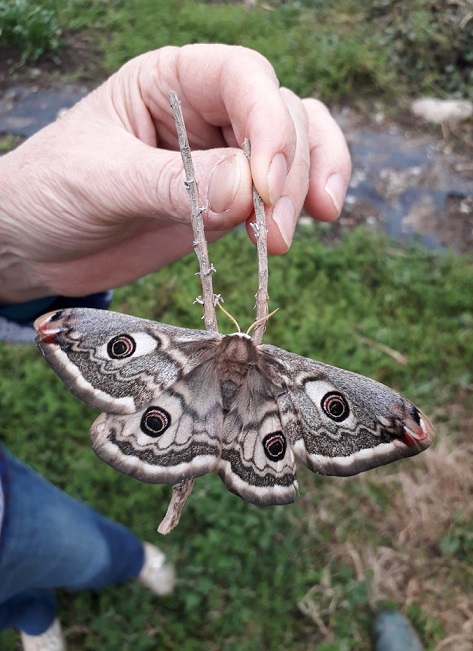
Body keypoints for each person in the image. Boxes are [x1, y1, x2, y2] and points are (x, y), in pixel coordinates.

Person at [0, 44, 351, 650]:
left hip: (16, 513)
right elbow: (79, 336)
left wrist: (11, 255)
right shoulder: (264, 362)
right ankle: (59, 604)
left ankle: (105, 576)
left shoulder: (185, 345)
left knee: (80, 550)